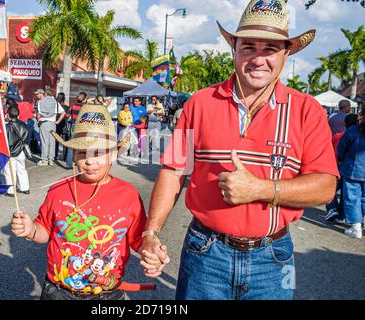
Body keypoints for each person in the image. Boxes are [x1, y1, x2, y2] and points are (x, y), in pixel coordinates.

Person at [140, 0, 338, 300]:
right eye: (249, 47)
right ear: (234, 49)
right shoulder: (199, 104)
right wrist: (151, 233)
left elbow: (325, 187)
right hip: (204, 251)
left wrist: (260, 188)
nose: (259, 59)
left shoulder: (306, 110)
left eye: (270, 49)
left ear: (286, 53)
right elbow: (174, 170)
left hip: (274, 257)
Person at [10, 104, 160, 300]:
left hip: (107, 294)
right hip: (58, 292)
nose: (89, 161)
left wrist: (151, 253)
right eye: (82, 153)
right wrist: (30, 230)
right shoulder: (58, 190)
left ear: (113, 154)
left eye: (98, 153)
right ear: (73, 156)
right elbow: (44, 231)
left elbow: (139, 240)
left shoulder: (128, 195)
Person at [324, 113, 359, 222]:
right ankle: (342, 215)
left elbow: (335, 152)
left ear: (345, 123)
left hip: (338, 166)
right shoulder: (359, 135)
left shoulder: (338, 136)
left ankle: (332, 209)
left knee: (329, 189)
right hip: (353, 168)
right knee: (346, 193)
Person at [337, 107, 365, 239]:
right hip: (356, 169)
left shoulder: (353, 131)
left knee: (353, 199)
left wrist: (341, 159)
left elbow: (341, 149)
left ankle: (356, 228)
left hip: (353, 170)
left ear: (361, 115)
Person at [3, 104, 30, 197]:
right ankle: (25, 188)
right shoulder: (25, 125)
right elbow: (27, 139)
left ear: (8, 115)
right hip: (21, 151)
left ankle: (11, 190)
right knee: (22, 169)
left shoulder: (5, 127)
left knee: (9, 171)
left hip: (9, 152)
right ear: (18, 115)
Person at [35, 88, 64, 166]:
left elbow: (39, 114)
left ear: (45, 94)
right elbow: (63, 113)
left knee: (44, 142)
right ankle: (51, 160)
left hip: (44, 123)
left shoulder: (40, 102)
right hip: (53, 123)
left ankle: (44, 160)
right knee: (52, 142)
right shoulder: (56, 103)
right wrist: (57, 121)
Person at [65, 92, 87, 169]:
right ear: (85, 99)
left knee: (71, 145)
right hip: (82, 127)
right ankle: (80, 162)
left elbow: (67, 115)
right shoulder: (86, 107)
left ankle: (68, 164)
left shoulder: (73, 106)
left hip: (73, 126)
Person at [54, 92, 69, 161]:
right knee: (65, 142)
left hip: (56, 125)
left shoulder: (55, 106)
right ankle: (65, 157)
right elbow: (68, 117)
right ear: (64, 99)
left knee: (55, 141)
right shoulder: (67, 107)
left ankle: (55, 155)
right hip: (64, 125)